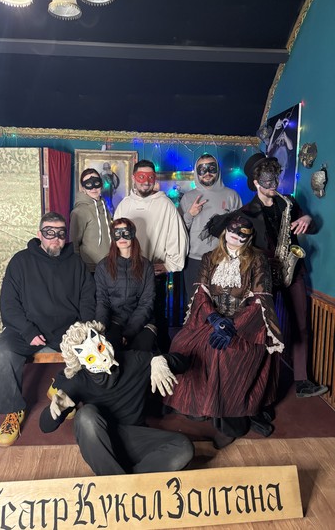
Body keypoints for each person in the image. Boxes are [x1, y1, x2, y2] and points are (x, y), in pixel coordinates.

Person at [164, 214, 284, 448]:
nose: (236, 236)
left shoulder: (258, 259)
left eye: (242, 233)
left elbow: (260, 299)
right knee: (183, 342)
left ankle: (230, 423)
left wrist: (233, 327)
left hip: (246, 326)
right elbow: (201, 293)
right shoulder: (209, 257)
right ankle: (201, 405)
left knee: (224, 353)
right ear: (224, 231)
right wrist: (214, 318)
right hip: (213, 319)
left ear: (250, 237)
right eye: (232, 230)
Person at [0, 212, 96, 448]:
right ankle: (13, 410)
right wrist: (28, 331)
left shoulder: (76, 263)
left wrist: (82, 329)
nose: (55, 238)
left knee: (92, 347)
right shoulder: (20, 261)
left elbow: (88, 300)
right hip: (28, 328)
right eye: (49, 232)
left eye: (60, 233)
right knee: (3, 352)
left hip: (65, 329)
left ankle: (61, 387)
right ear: (39, 234)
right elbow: (8, 304)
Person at [39, 320, 194, 476]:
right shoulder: (78, 381)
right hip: (99, 442)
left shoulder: (135, 360)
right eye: (91, 358)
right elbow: (45, 427)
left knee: (183, 448)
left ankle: (121, 480)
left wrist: (161, 360)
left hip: (134, 437)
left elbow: (185, 363)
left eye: (100, 348)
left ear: (104, 340)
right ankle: (119, 482)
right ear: (81, 362)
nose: (101, 357)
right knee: (85, 416)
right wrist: (55, 412)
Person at [237, 152, 328, 398]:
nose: (273, 185)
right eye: (267, 180)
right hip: (263, 277)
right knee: (262, 329)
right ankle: (261, 384)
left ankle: (302, 381)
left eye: (275, 179)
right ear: (256, 182)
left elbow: (311, 227)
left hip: (292, 271)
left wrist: (308, 218)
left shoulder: (288, 203)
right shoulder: (246, 212)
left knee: (301, 326)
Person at [114, 160, 189, 351]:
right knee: (128, 319)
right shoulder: (124, 205)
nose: (146, 181)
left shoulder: (165, 205)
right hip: (128, 274)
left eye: (150, 177)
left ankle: (162, 359)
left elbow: (177, 237)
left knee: (157, 319)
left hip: (155, 275)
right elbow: (115, 238)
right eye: (141, 176)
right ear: (133, 178)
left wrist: (170, 265)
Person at [179, 153, 242, 304]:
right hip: (194, 260)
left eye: (211, 168)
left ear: (217, 169)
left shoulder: (232, 196)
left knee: (222, 304)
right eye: (202, 169)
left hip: (224, 260)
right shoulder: (187, 198)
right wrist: (190, 214)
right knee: (194, 303)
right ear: (197, 172)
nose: (207, 173)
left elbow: (241, 230)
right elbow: (179, 231)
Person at [95, 217, 156, 352]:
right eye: (117, 233)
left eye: (126, 232)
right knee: (110, 349)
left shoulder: (146, 266)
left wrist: (129, 333)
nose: (122, 237)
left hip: (142, 322)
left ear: (133, 234)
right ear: (113, 237)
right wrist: (100, 330)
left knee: (143, 349)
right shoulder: (103, 267)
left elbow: (147, 302)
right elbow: (102, 301)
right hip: (114, 320)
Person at [69, 168, 112, 273]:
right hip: (90, 268)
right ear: (83, 188)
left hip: (109, 265)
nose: (93, 188)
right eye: (88, 184)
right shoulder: (79, 211)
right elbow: (74, 243)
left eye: (96, 183)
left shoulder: (104, 207)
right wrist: (78, 268)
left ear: (101, 184)